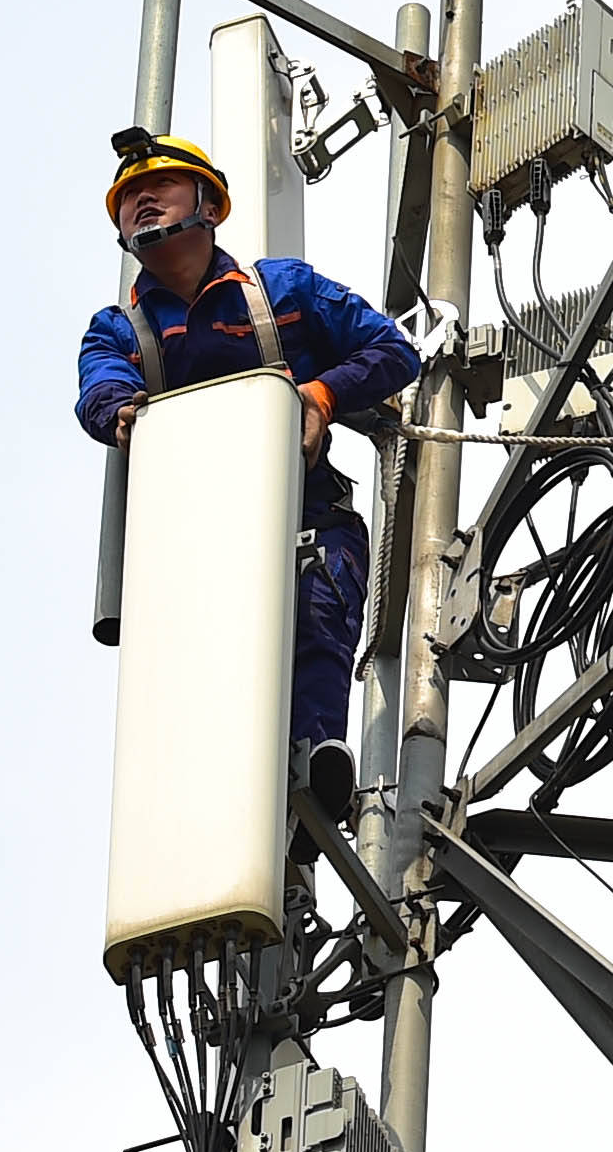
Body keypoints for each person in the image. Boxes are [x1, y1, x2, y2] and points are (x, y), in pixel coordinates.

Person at [76, 126, 424, 805]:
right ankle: (208, 801)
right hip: (193, 542)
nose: (142, 203)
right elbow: (99, 387)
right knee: (195, 668)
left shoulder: (281, 292)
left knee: (319, 610)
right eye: (129, 198)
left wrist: (322, 393)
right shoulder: (120, 329)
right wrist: (119, 413)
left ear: (209, 203)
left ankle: (315, 756)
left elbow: (391, 352)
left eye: (160, 189)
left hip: (305, 515)